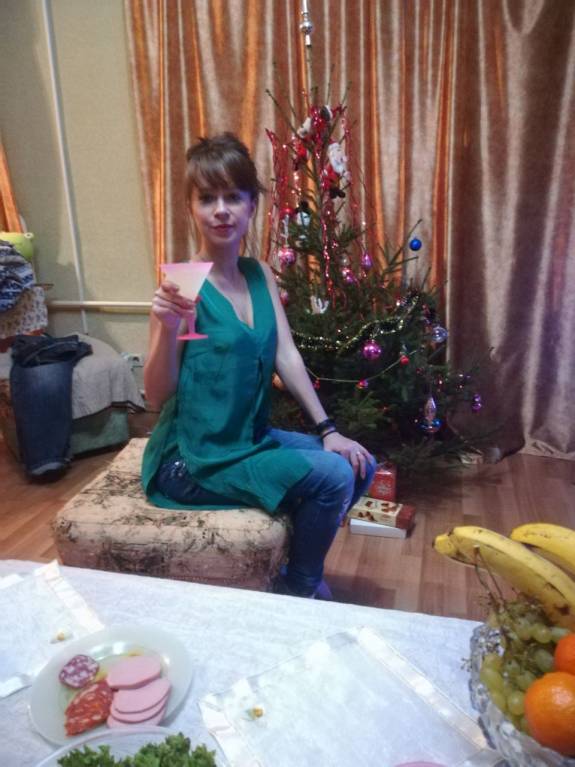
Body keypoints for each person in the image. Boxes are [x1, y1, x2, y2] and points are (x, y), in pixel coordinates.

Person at [142, 132, 376, 598]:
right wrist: (166, 328)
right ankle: (300, 589)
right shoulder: (183, 284)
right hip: (192, 460)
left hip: (247, 442)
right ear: (191, 207)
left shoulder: (259, 273)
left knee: (359, 463)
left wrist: (329, 429)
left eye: (233, 196)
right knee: (333, 476)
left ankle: (291, 566)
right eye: (207, 198)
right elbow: (156, 396)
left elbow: (286, 354)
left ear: (252, 205)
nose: (221, 210)